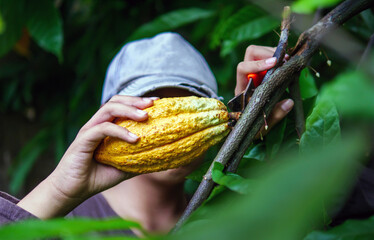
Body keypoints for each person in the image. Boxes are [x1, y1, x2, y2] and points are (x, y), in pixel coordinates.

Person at [0, 33, 294, 236]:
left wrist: (256, 131)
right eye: (151, 111)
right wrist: (59, 191)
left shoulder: (226, 219)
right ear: (108, 121)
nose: (173, 128)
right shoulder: (63, 224)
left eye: (184, 108)